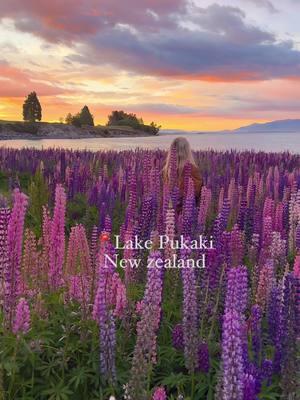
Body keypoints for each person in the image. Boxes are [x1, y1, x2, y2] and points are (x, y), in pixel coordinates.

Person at [163, 137, 202, 209]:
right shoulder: (192, 169)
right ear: (187, 151)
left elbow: (166, 192)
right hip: (187, 211)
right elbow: (196, 193)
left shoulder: (167, 169)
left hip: (169, 211)